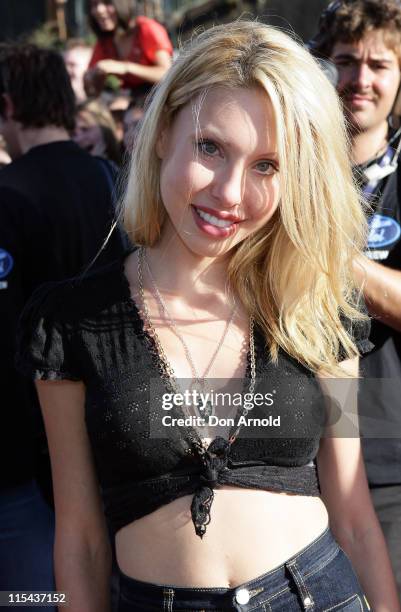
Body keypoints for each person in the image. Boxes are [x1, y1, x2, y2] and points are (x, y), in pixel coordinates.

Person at [16, 21, 401, 611]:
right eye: (211, 147)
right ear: (163, 131)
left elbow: (352, 514)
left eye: (267, 166)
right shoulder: (69, 325)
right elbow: (82, 540)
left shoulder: (316, 308)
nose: (229, 192)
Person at [0, 43, 124, 607]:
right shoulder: (109, 175)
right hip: (122, 432)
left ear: (7, 105)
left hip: (40, 463)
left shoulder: (8, 196)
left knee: (41, 595)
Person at [310, 0, 401, 593]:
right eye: (345, 61)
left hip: (388, 465)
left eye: (379, 64)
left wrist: (328, 253)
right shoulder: (285, 169)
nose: (360, 80)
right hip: (286, 456)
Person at [84, 0, 173, 99]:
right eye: (94, 5)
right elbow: (91, 90)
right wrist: (92, 78)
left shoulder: (147, 29)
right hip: (131, 101)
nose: (99, 10)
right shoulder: (105, 41)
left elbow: (167, 74)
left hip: (160, 100)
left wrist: (126, 68)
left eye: (107, 3)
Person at [74, 98, 122, 165]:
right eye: (73, 134)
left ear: (104, 125)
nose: (78, 139)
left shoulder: (129, 157)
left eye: (85, 129)